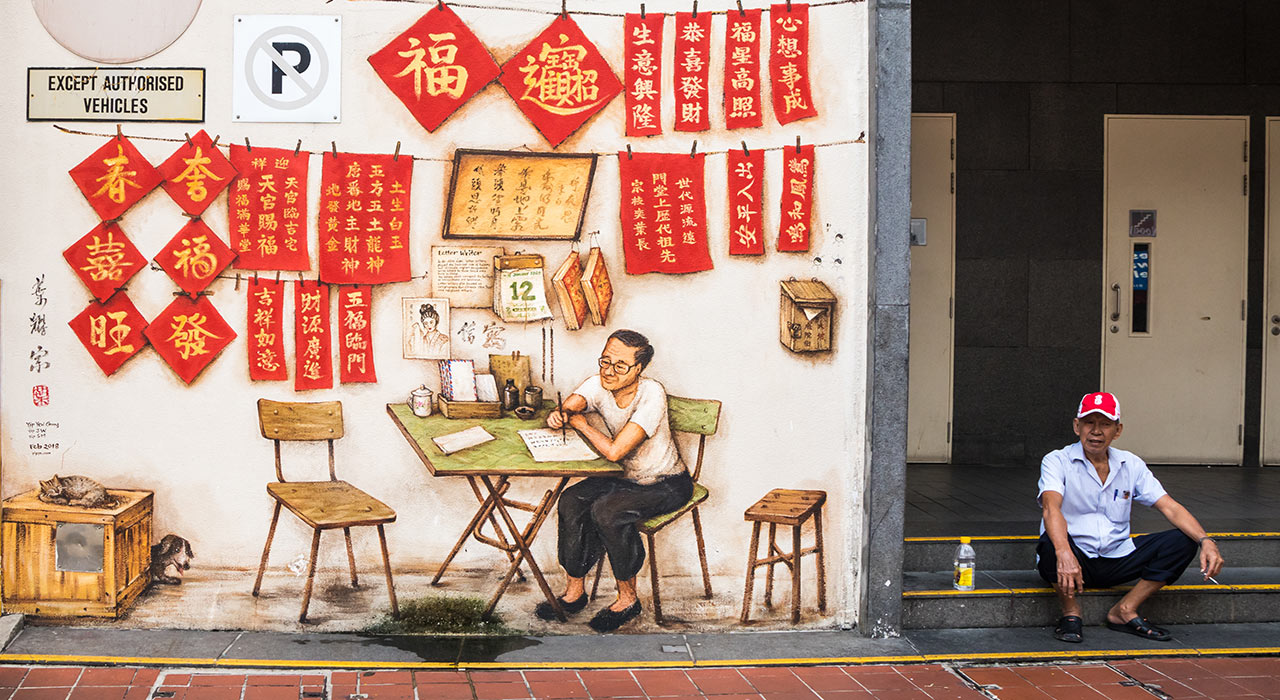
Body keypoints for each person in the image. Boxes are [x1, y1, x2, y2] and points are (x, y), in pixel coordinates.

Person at [1037, 392, 1225, 643]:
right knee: (1050, 543)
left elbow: (1169, 507)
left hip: (1117, 557)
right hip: (1073, 558)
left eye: (1105, 424)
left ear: (1118, 430)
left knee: (1183, 541)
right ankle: (1071, 612)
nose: (1096, 431)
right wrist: (1064, 552)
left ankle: (1124, 610)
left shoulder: (1131, 464)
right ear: (1076, 426)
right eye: (1089, 422)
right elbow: (1051, 508)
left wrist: (1206, 540)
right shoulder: (1056, 460)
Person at [537, 329, 691, 632]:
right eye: (605, 361)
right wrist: (561, 412)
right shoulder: (599, 383)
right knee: (571, 500)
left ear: (639, 369)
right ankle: (574, 592)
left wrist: (579, 423)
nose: (609, 371)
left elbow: (616, 449)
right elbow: (574, 401)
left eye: (620, 365)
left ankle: (628, 599)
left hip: (666, 482)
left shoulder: (652, 393)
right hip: (625, 478)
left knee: (608, 511)